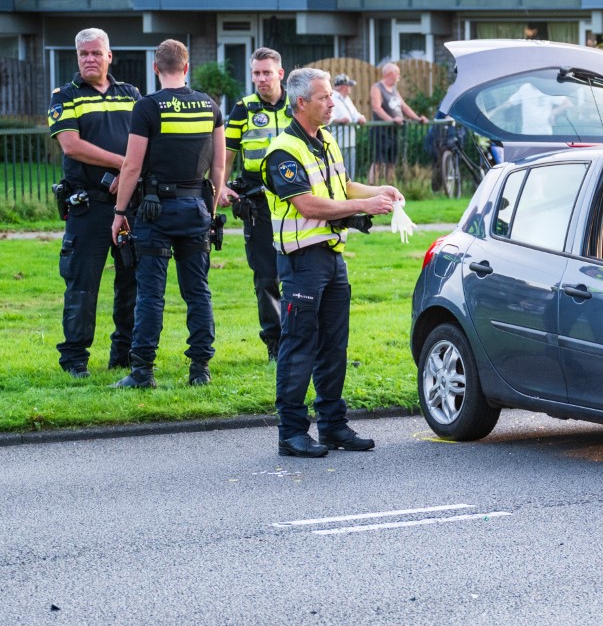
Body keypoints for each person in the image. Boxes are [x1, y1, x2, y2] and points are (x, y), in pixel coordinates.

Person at [263, 68, 403, 458]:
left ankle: (333, 426)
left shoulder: (326, 141)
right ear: (301, 103)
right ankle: (291, 432)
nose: (332, 103)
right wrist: (364, 205)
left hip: (332, 257)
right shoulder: (283, 151)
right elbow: (308, 203)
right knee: (299, 346)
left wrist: (379, 191)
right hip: (302, 261)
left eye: (331, 96)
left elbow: (342, 187)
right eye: (324, 97)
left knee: (333, 347)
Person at [109, 40, 225, 389]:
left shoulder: (147, 107)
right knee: (198, 291)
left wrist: (118, 213)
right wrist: (212, 208)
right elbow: (219, 167)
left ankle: (143, 371)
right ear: (186, 67)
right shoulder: (209, 106)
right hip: (196, 209)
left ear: (156, 68)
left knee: (151, 294)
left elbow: (131, 167)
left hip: (154, 211)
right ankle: (200, 369)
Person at [48, 28, 140, 378]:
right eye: (83, 53)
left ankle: (125, 356)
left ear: (109, 56)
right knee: (82, 285)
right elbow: (72, 145)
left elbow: (146, 140)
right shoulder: (64, 95)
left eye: (96, 53)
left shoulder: (130, 93)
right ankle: (74, 360)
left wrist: (130, 173)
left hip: (128, 203)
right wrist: (123, 164)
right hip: (88, 206)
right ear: (77, 57)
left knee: (132, 281)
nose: (90, 59)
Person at [220, 48, 294, 360]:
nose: (261, 79)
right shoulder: (243, 109)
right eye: (256, 73)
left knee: (301, 270)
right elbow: (226, 151)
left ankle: (301, 338)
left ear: (280, 73)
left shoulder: (299, 103)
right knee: (266, 274)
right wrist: (220, 185)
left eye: (266, 72)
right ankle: (275, 344)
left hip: (296, 198)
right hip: (258, 201)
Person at [368, 61, 425, 181]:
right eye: (397, 73)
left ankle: (390, 189)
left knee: (391, 162)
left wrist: (418, 118)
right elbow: (376, 108)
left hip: (393, 131)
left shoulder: (394, 89)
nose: (399, 76)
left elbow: (403, 107)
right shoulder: (377, 87)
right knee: (378, 162)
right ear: (390, 73)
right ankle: (371, 190)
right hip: (381, 131)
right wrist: (392, 120)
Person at [328, 72, 365, 173]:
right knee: (336, 171)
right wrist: (340, 120)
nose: (350, 88)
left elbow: (354, 113)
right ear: (343, 86)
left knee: (349, 171)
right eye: (349, 85)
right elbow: (329, 117)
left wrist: (360, 118)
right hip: (338, 142)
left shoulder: (347, 99)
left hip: (349, 141)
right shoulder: (332, 98)